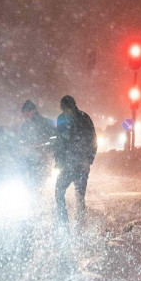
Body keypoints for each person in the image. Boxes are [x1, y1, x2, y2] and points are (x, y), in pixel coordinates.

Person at [54, 95, 97, 226]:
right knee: (59, 192)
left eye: (67, 109)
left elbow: (93, 141)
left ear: (73, 106)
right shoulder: (62, 118)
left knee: (79, 196)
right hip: (68, 164)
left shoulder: (84, 119)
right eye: (63, 109)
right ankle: (64, 224)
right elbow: (59, 140)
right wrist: (58, 159)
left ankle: (77, 225)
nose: (65, 112)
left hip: (80, 165)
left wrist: (88, 160)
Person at [19, 100, 55, 187]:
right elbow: (21, 141)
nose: (25, 117)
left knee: (42, 182)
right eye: (24, 115)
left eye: (27, 114)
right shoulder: (24, 127)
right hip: (30, 160)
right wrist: (25, 146)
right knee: (31, 183)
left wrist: (42, 145)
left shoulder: (46, 123)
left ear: (33, 112)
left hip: (44, 158)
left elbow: (54, 139)